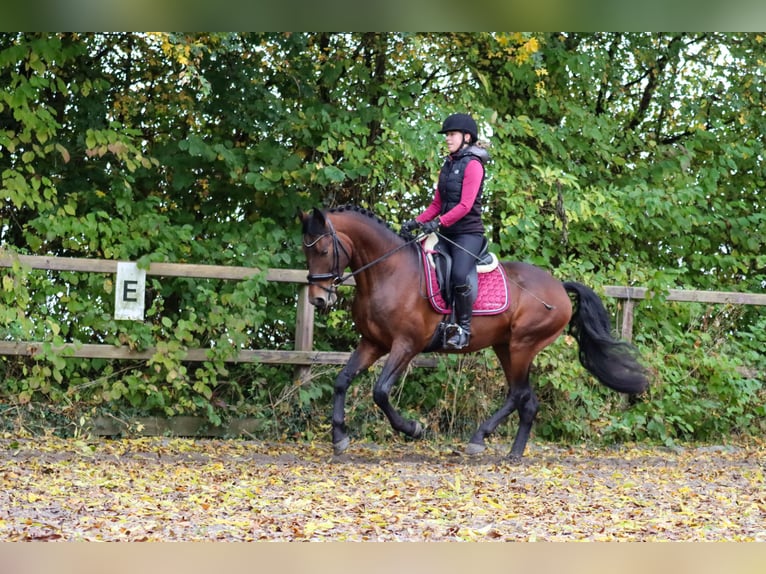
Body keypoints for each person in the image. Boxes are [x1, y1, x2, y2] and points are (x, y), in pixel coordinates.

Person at [401, 113, 490, 350]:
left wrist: (438, 222)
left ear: (466, 137)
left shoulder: (473, 165)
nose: (448, 139)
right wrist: (416, 222)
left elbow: (465, 205)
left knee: (459, 276)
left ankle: (463, 329)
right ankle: (437, 323)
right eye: (447, 135)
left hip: (468, 235)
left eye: (452, 135)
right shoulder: (448, 164)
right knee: (418, 265)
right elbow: (436, 205)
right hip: (446, 234)